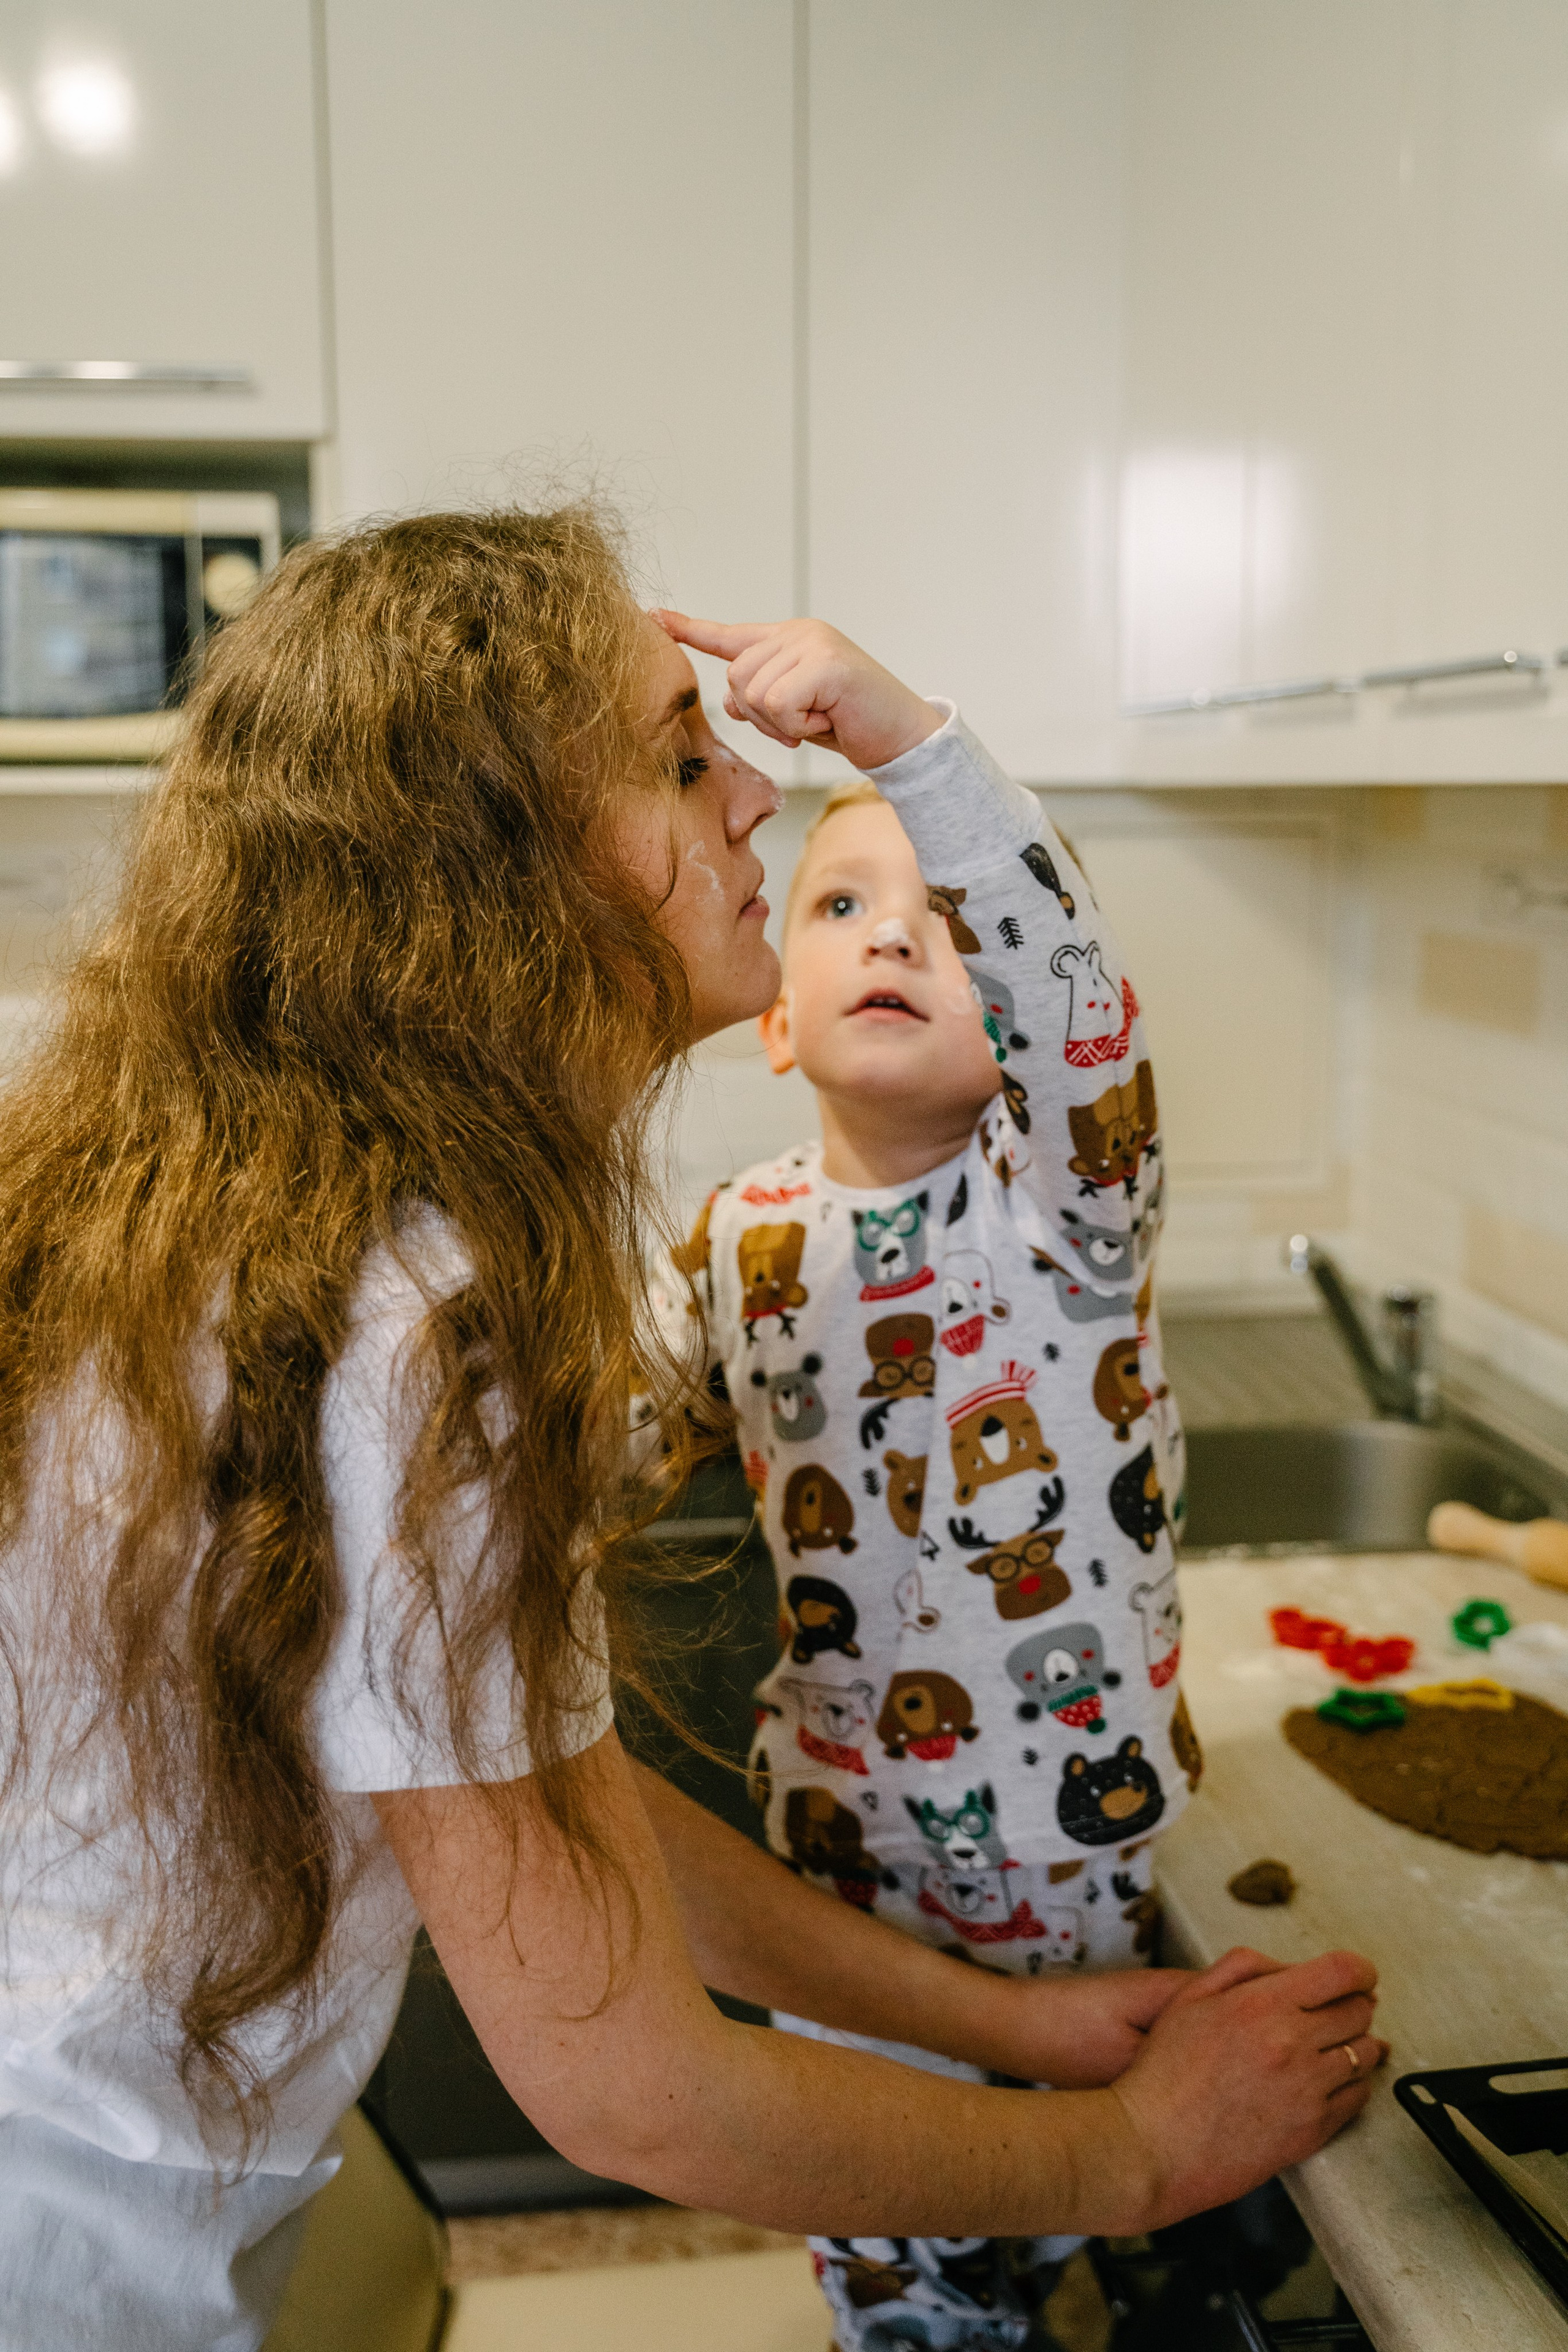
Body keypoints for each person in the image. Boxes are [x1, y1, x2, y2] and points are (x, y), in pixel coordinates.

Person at [0, 508, 1384, 2352]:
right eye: (674, 754)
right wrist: (1135, 2151)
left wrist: (1014, 2029)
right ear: (498, 873)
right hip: (79, 2248)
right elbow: (635, 2084)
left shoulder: (278, 1224)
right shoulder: (429, 1332)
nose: (751, 790)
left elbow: (551, 1804)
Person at [642, 612, 1197, 2342]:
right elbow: (590, 1453)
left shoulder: (1068, 1212)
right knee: (913, 2272)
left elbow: (1075, 1014)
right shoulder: (736, 1237)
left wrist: (911, 755)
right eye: (840, 905)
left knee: (1142, 2234)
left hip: (1082, 1867)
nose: (899, 931)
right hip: (846, 1866)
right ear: (780, 1022)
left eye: (947, 925)